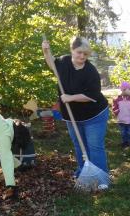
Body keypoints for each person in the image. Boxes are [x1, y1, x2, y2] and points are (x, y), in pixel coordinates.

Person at [41, 36, 109, 185]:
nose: (82, 56)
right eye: (79, 52)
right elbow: (51, 63)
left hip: (94, 115)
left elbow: (91, 96)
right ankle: (83, 171)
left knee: (94, 146)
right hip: (72, 117)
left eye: (85, 54)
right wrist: (45, 51)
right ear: (72, 50)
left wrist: (71, 98)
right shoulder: (64, 62)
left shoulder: (91, 71)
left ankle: (102, 179)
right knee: (79, 145)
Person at [112, 81, 130, 148]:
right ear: (123, 90)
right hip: (122, 119)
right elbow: (115, 107)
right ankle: (125, 142)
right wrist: (117, 112)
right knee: (123, 132)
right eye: (128, 89)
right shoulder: (118, 99)